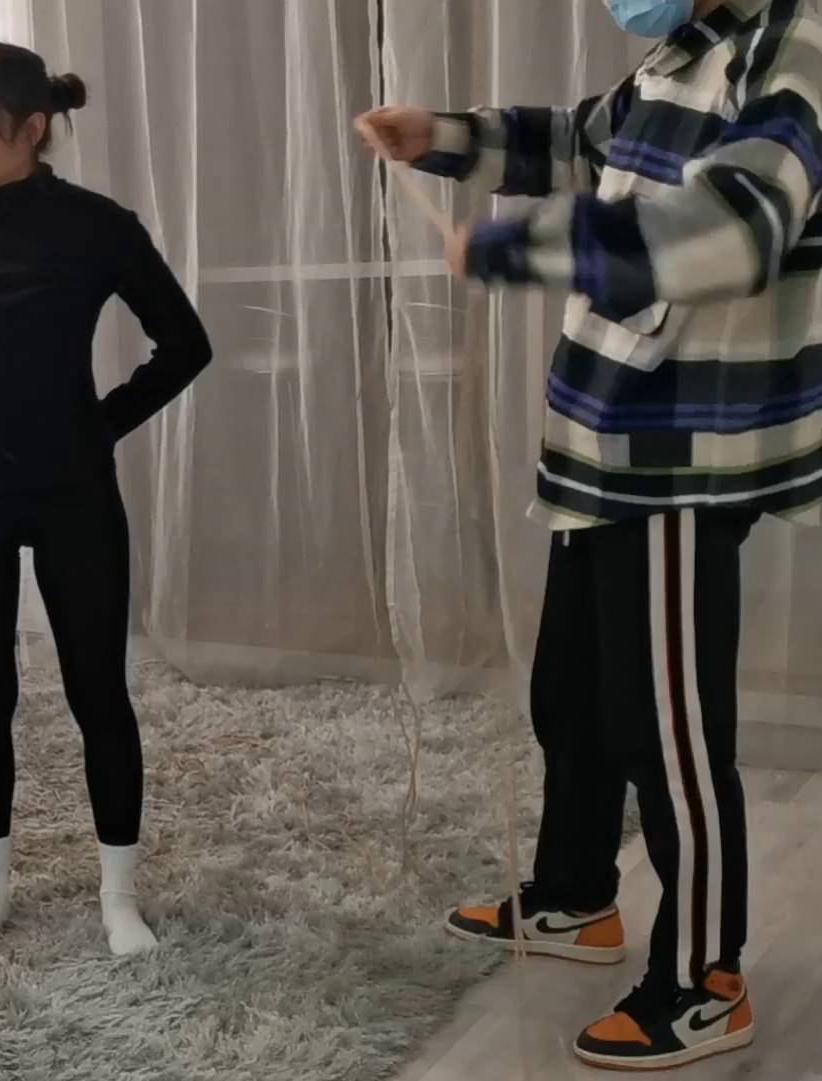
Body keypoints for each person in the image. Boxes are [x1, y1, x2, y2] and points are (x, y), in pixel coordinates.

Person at [359, 0, 822, 1069]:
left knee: (666, 731)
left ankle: (704, 981)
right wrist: (441, 136)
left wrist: (517, 246)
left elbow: (732, 230)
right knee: (571, 690)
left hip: (680, 453)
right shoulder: (689, 43)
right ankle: (575, 895)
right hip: (605, 432)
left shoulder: (792, 48)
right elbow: (579, 139)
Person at [0, 40, 212, 957]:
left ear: (30, 128)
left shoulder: (96, 226)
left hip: (71, 492)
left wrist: (100, 423)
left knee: (99, 692)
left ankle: (119, 898)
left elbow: (185, 343)